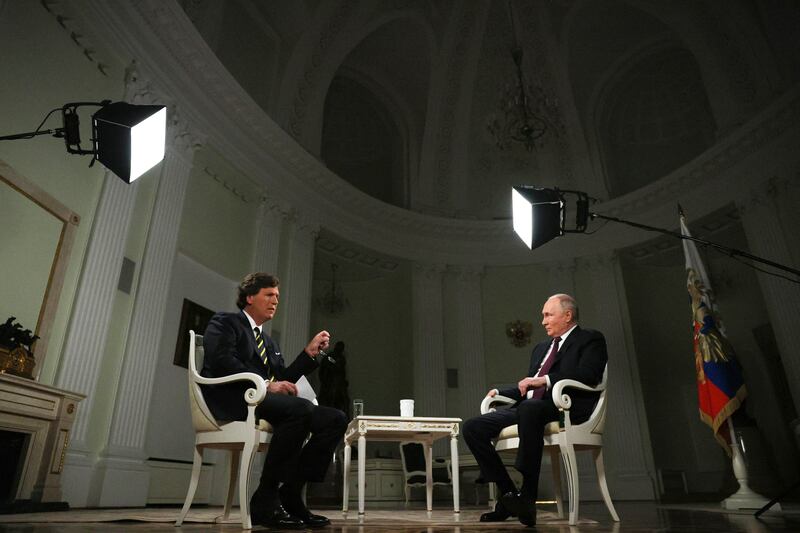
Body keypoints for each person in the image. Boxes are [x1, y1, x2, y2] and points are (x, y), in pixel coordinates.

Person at [201, 272, 347, 529]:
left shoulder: (269, 342)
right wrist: (267, 384)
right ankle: (266, 498)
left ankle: (290, 492)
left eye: (277, 297)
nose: (275, 301)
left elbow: (284, 381)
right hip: (236, 399)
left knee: (335, 419)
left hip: (266, 402)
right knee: (299, 411)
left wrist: (308, 354)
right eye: (269, 295)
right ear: (249, 297)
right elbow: (221, 360)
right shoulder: (226, 322)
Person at [463, 294, 607, 527]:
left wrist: (546, 380)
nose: (543, 321)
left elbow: (589, 375)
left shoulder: (590, 339)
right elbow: (528, 386)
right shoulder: (541, 348)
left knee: (530, 408)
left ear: (568, 315)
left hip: (565, 407)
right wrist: (502, 392)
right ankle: (510, 497)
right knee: (472, 427)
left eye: (548, 315)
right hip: (529, 407)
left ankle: (528, 494)